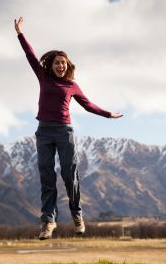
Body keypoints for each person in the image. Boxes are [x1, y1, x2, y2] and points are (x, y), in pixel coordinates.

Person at [14, 17, 123, 240]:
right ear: (51, 65)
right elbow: (30, 55)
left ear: (68, 65)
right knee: (46, 176)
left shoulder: (72, 85)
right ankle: (48, 221)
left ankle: (77, 215)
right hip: (44, 131)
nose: (60, 66)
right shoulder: (42, 76)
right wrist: (20, 33)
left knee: (69, 175)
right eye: (57, 63)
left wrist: (108, 114)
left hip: (65, 132)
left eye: (63, 63)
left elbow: (88, 104)